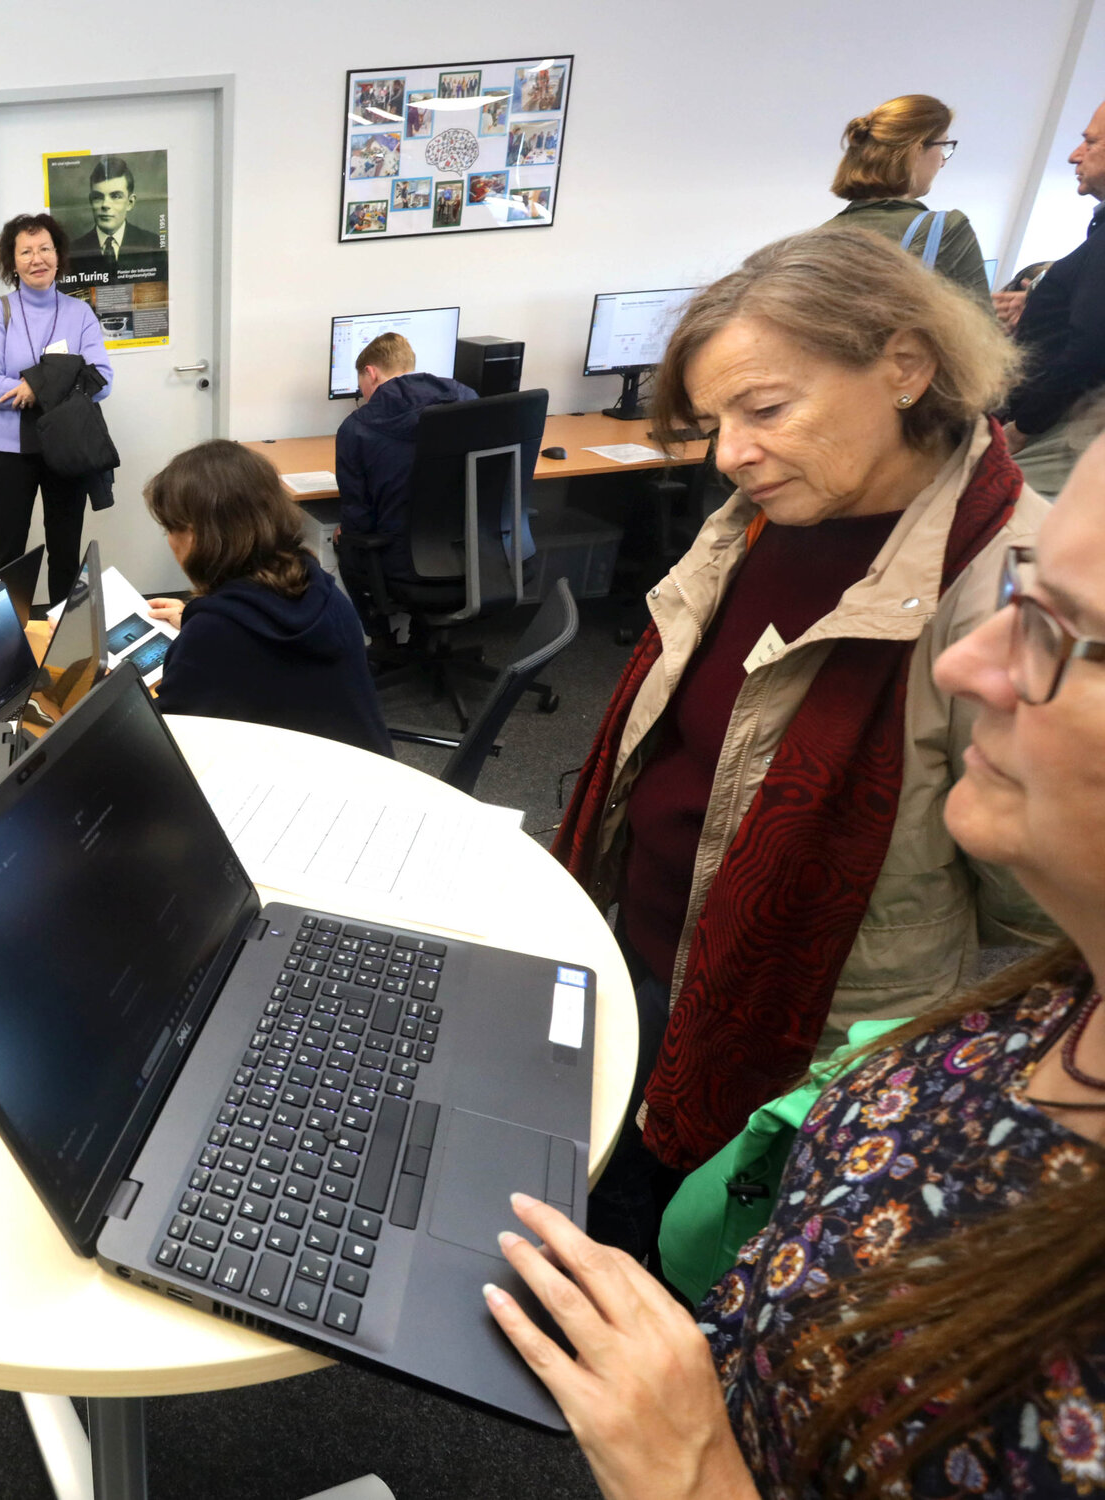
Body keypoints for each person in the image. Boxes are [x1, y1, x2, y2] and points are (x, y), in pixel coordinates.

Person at [486, 432, 1105, 1500]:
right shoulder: (1056, 997)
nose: (964, 662)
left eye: (1067, 633)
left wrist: (692, 1473)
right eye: (1019, 591)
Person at [554, 225, 1054, 1261]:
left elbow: (1030, 892)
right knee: (622, 1178)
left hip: (803, 1022)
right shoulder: (757, 515)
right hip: (654, 940)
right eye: (713, 420)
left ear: (904, 368)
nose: (729, 451)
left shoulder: (1005, 587)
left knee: (720, 1248)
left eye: (764, 409)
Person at [143, 440, 392, 756]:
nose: (168, 540)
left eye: (169, 529)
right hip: (367, 777)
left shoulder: (215, 633)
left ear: (194, 537)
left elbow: (164, 735)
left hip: (290, 795)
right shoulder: (318, 584)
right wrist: (196, 617)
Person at [0, 211, 112, 606]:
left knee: (66, 551)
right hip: (7, 452)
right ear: (11, 261)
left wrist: (32, 387)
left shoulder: (79, 313)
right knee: (8, 554)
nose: (37, 259)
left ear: (58, 254)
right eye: (26, 251)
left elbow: (100, 379)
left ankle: (65, 644)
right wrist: (59, 381)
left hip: (67, 450)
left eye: (45, 248)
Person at [995, 98, 1105, 500]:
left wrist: (1024, 426)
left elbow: (1091, 346)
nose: (1075, 155)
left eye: (1090, 142)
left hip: (1065, 430)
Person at [330, 329, 482, 611]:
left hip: (402, 563)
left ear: (371, 373)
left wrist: (346, 530)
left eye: (361, 384)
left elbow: (359, 517)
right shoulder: (468, 399)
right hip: (476, 554)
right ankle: (424, 636)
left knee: (345, 540)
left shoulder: (357, 429)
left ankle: (382, 639)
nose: (363, 395)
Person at [826, 94, 994, 309]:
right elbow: (983, 335)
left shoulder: (817, 239)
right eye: (943, 146)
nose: (943, 161)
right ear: (915, 151)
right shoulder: (946, 231)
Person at [65, 156, 162, 272]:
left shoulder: (152, 245)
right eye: (98, 197)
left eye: (116, 196)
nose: (105, 205)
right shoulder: (73, 251)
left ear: (130, 203)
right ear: (91, 201)